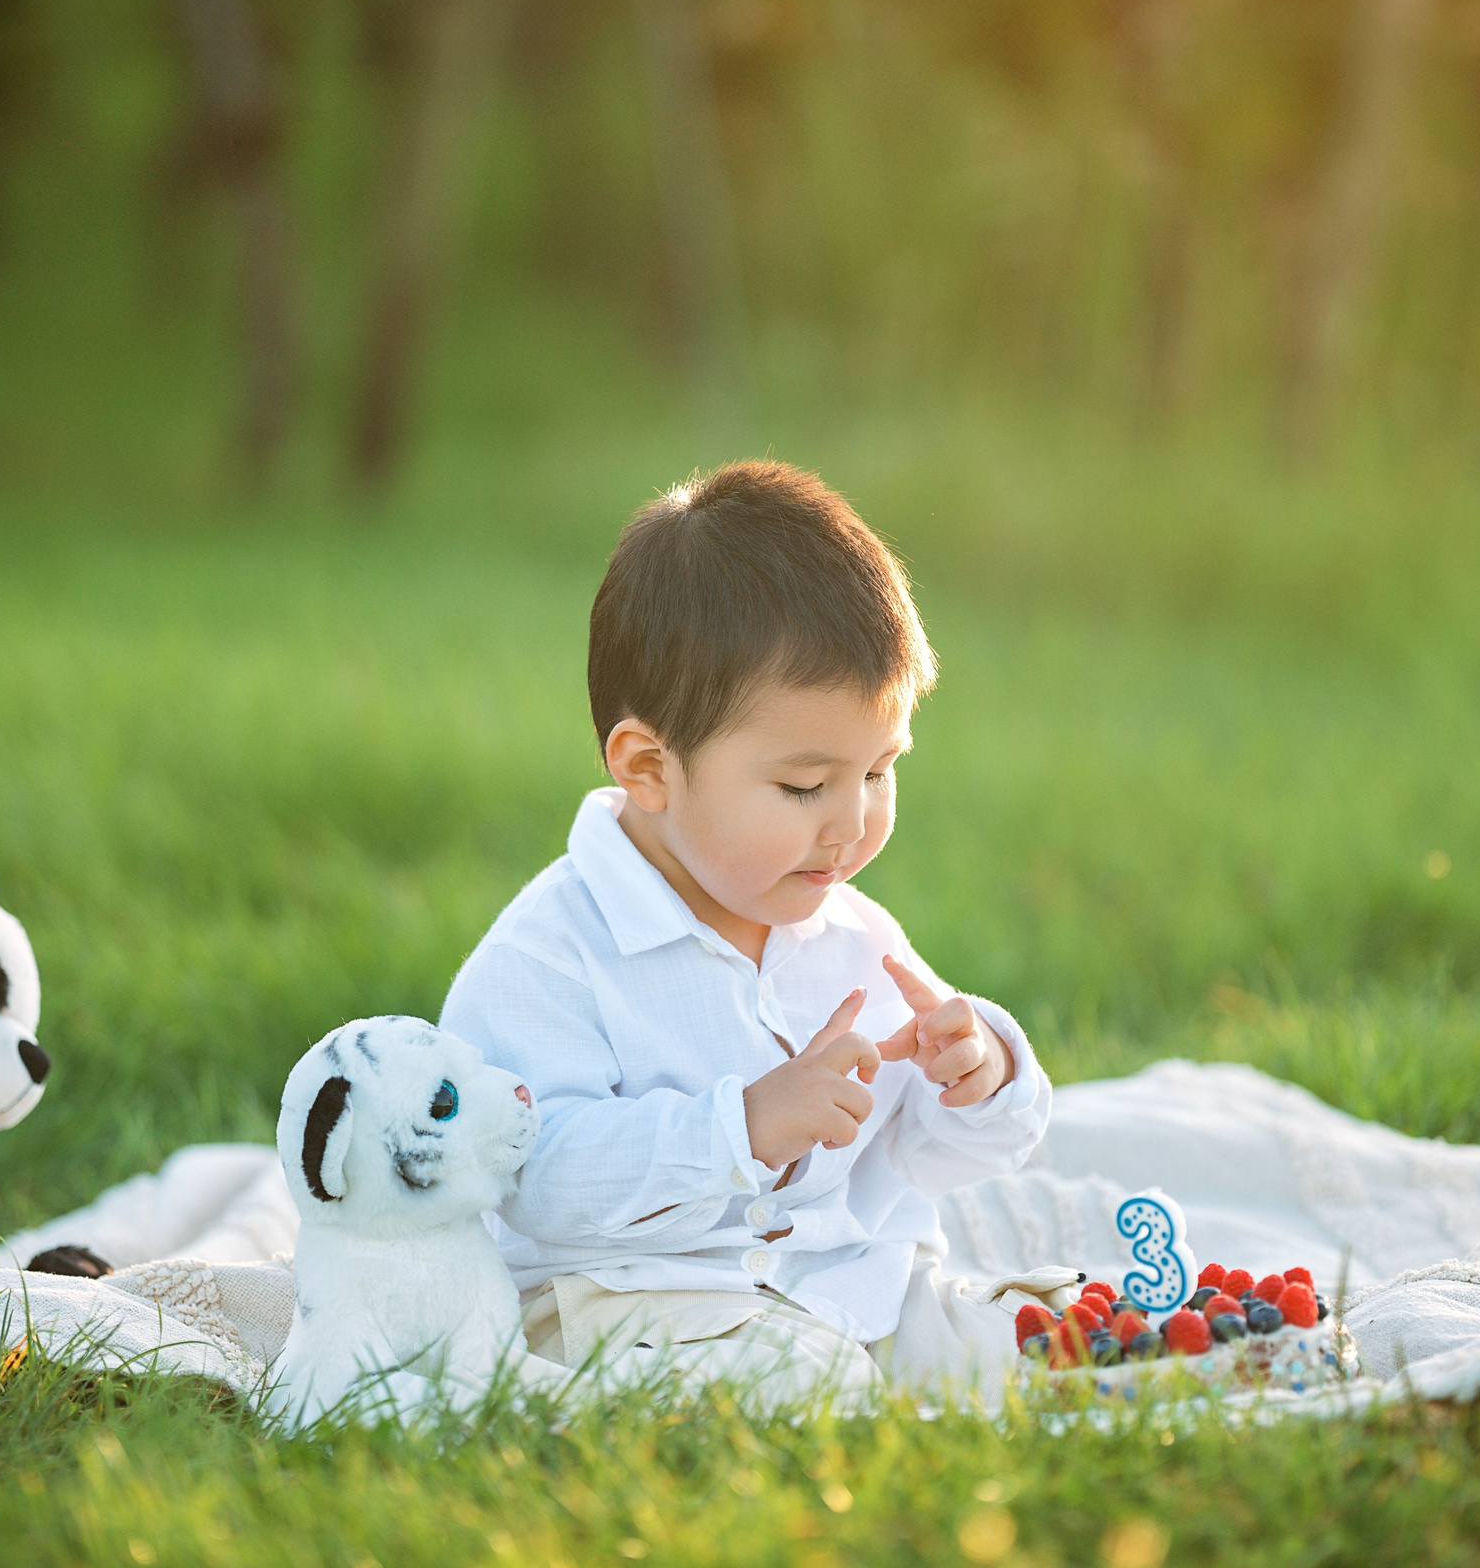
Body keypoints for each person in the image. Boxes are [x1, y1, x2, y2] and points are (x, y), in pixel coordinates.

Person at [438, 460, 1054, 1408]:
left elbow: (921, 1163)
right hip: (625, 1298)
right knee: (789, 1384)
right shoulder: (548, 957)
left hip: (838, 1285)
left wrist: (977, 1082)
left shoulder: (851, 932)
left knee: (1019, 1354)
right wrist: (744, 1127)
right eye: (806, 786)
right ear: (649, 766)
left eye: (881, 770)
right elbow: (535, 1179)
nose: (851, 823)